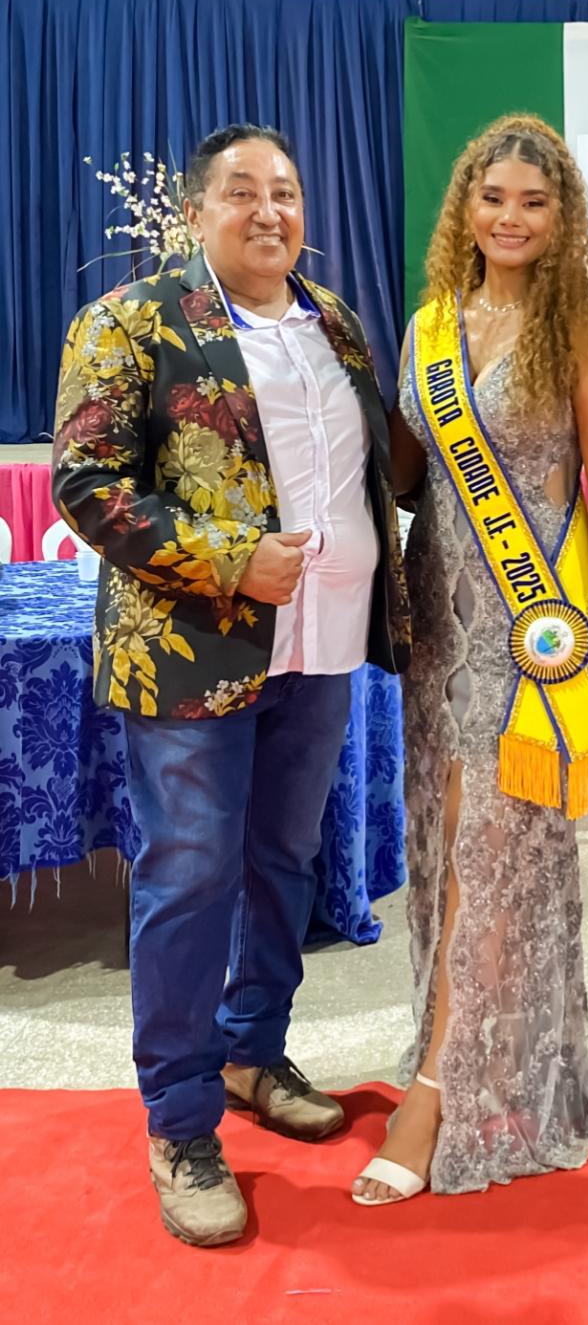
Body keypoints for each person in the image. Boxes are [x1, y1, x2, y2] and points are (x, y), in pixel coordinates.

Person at [52, 123, 410, 1247]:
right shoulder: (132, 320)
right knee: (191, 875)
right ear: (197, 211)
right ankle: (180, 1120)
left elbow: (373, 468)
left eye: (286, 192)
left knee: (283, 861)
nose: (269, 211)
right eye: (243, 192)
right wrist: (229, 558)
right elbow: (87, 482)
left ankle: (254, 1053)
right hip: (191, 650)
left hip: (324, 642)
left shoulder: (333, 320)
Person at [351, 114, 588, 1204]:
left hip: (533, 631)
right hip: (441, 625)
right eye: (494, 197)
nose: (511, 217)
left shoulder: (585, 334)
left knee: (492, 849)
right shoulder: (430, 325)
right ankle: (485, 1057)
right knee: (447, 845)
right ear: (464, 208)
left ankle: (434, 1090)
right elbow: (411, 473)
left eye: (535, 201)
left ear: (562, 219)